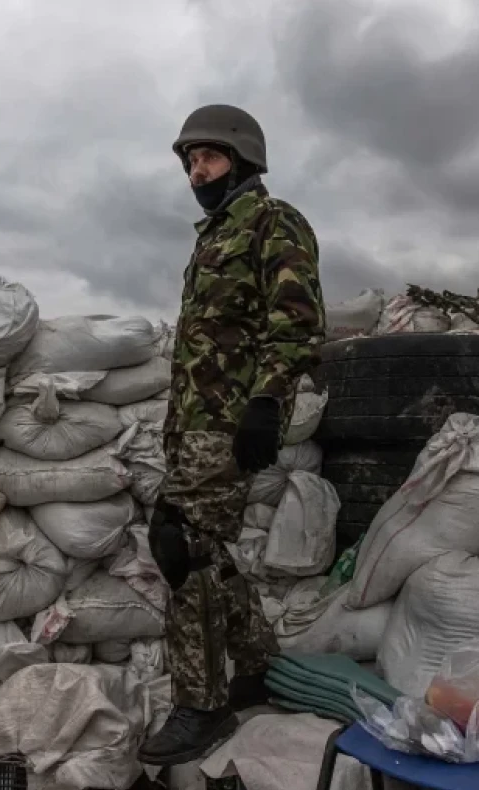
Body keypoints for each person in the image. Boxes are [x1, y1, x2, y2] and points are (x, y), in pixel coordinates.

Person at [139, 104, 326, 765]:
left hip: (229, 421)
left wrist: (267, 403)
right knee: (203, 548)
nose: (197, 171)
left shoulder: (274, 223)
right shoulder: (211, 237)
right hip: (192, 423)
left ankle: (202, 705)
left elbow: (297, 323)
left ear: (243, 161)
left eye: (209, 158)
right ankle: (252, 665)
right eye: (190, 161)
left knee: (180, 542)